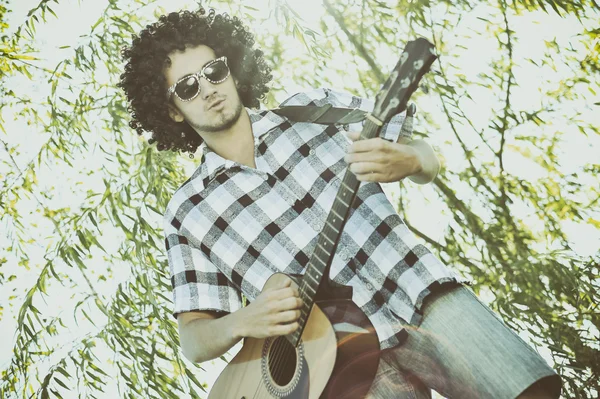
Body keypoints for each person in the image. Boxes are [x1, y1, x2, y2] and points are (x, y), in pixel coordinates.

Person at [119, 7, 562, 399]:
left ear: (231, 69)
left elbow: (426, 155)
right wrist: (242, 321)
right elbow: (194, 341)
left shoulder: (315, 109)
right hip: (335, 366)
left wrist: (411, 160)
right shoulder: (190, 211)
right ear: (173, 110)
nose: (209, 88)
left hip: (419, 292)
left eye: (214, 71)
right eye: (189, 86)